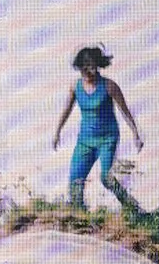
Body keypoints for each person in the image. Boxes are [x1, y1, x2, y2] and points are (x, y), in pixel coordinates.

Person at [53, 45, 144, 215]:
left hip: (107, 138)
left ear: (98, 65)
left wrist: (136, 134)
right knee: (75, 180)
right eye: (85, 65)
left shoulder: (109, 86)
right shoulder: (75, 87)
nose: (89, 69)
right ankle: (79, 215)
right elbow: (66, 110)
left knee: (106, 177)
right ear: (79, 66)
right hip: (85, 140)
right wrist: (57, 132)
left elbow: (125, 111)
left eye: (92, 64)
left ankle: (133, 209)